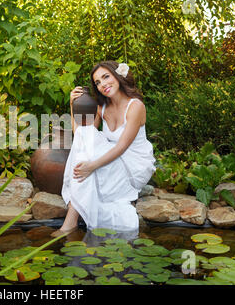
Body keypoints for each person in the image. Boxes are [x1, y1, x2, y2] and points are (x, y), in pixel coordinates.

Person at [50, 60, 156, 237]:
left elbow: (122, 147)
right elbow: (81, 135)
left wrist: (91, 166)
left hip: (133, 166)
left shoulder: (135, 106)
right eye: (98, 82)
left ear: (118, 76)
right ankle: (72, 220)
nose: (102, 84)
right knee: (86, 136)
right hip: (111, 160)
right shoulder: (103, 106)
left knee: (88, 160)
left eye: (106, 77)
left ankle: (69, 223)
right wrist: (72, 104)